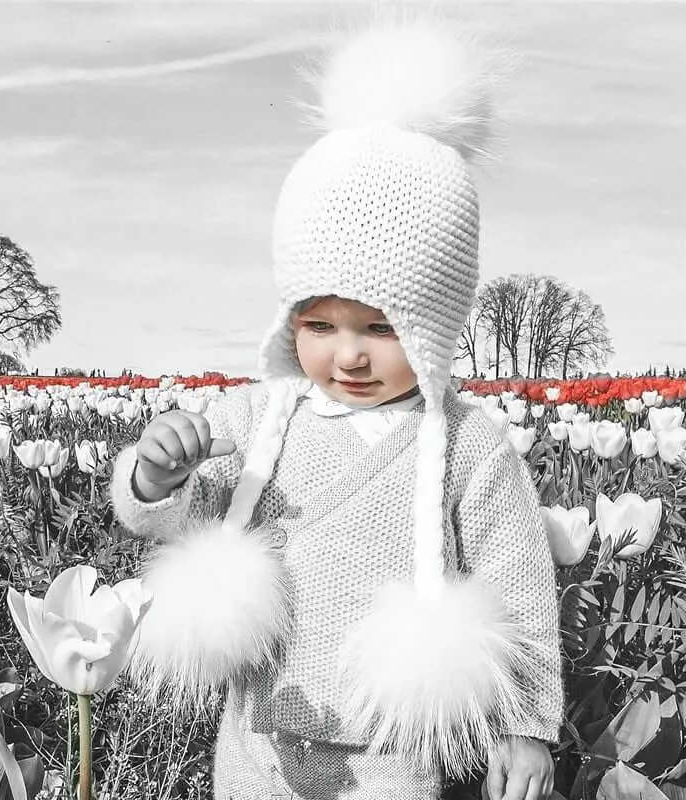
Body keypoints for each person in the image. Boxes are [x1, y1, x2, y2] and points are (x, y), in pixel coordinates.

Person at [110, 16, 563, 800]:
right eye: (318, 325)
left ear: (436, 319)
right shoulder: (257, 420)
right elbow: (178, 519)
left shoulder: (466, 444)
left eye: (381, 328)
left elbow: (516, 584)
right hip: (259, 730)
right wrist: (154, 476)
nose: (347, 354)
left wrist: (525, 723)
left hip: (392, 747)